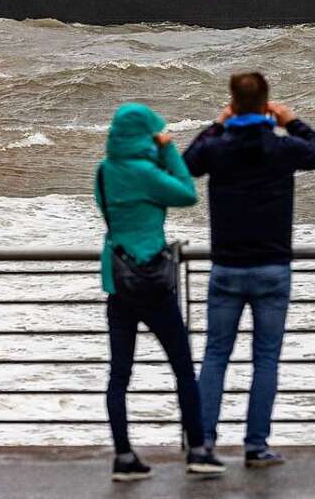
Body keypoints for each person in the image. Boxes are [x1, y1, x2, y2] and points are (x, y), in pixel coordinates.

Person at [184, 72, 315, 468]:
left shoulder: (218, 146)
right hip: (272, 267)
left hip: (227, 267)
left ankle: (203, 445)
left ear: (232, 102)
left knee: (215, 356)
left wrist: (216, 123)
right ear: (267, 104)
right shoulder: (282, 148)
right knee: (265, 359)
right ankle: (256, 445)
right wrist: (291, 121)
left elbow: (186, 164)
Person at [95, 103, 226, 481]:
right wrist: (168, 149)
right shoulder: (147, 173)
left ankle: (123, 457)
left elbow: (107, 209)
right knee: (183, 369)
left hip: (117, 280)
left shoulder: (104, 171)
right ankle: (198, 450)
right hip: (152, 280)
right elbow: (187, 193)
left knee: (119, 374)